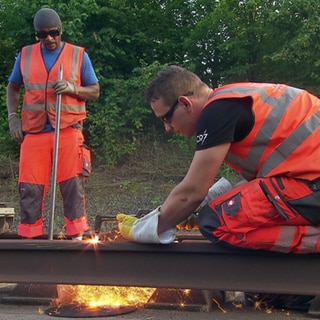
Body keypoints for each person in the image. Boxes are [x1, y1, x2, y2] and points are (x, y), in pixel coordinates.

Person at [117, 65, 320, 254]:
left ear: (185, 104)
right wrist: (209, 202)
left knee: (215, 221)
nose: (167, 128)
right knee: (220, 211)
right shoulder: (233, 98)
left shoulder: (217, 111)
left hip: (312, 186)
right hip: (309, 184)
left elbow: (191, 193)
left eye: (166, 118)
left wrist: (145, 229)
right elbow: (260, 184)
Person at [6, 8, 100, 239]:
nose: (48, 38)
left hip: (68, 130)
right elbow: (13, 88)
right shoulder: (25, 55)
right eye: (42, 34)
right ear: (36, 34)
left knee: (72, 186)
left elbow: (95, 90)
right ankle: (31, 237)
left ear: (61, 30)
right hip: (34, 132)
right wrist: (12, 117)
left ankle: (76, 236)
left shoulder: (78, 55)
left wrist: (72, 88)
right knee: (30, 187)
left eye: (53, 33)